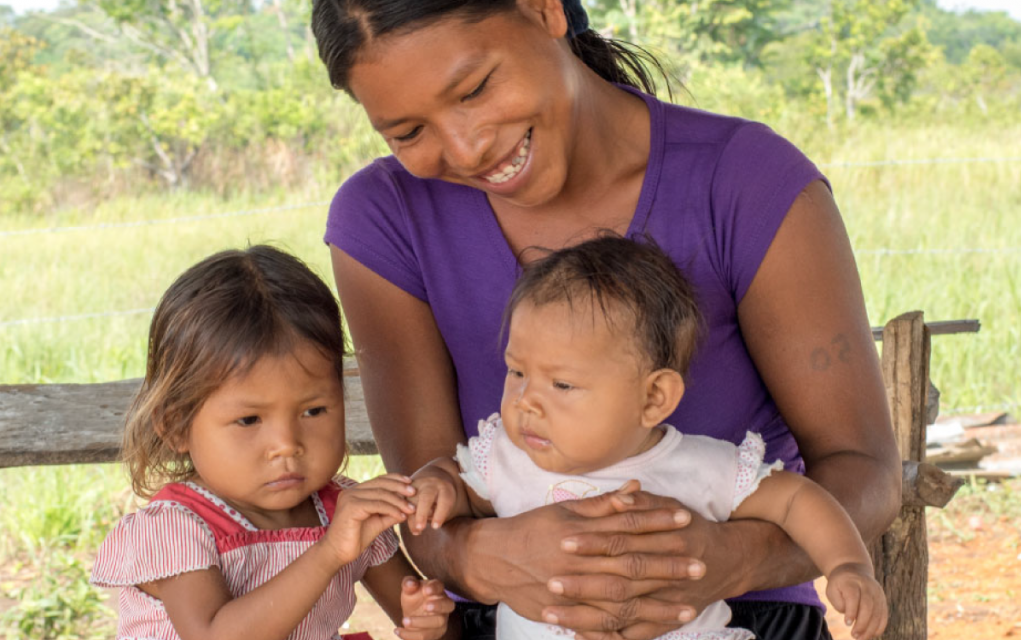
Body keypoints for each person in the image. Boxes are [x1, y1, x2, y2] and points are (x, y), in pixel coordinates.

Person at [310, 1, 902, 638]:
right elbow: (428, 501)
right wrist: (482, 559)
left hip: (742, 612)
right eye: (407, 133)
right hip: (510, 619)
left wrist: (725, 560)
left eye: (476, 88)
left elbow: (863, 468)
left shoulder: (748, 181)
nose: (467, 147)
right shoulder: (385, 217)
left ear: (543, 11)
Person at [408, 236, 888, 640]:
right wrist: (436, 482)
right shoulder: (506, 461)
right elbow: (455, 489)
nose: (526, 401)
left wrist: (847, 565)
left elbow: (796, 501)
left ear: (654, 397)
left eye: (562, 384)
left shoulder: (696, 466)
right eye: (517, 372)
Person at [90, 245, 454, 640]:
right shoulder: (176, 530)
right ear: (177, 425)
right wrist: (330, 553)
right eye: (248, 420)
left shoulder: (347, 513)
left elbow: (438, 626)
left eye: (313, 411)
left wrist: (428, 620)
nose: (286, 445)